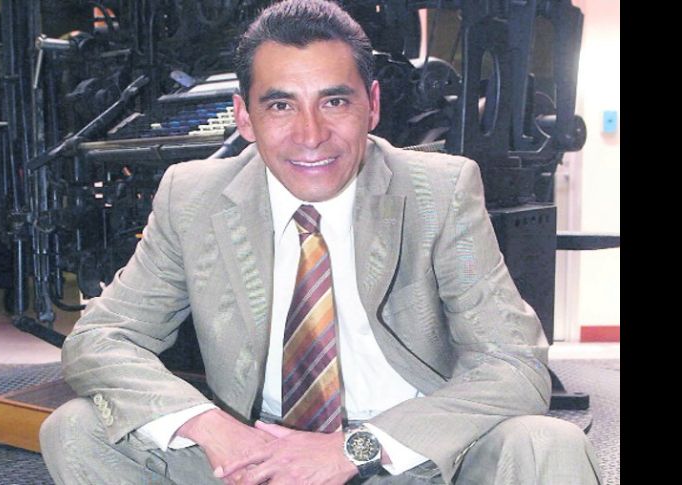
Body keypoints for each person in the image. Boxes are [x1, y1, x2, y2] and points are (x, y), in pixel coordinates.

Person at [40, 1, 602, 484]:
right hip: (258, 458)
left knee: (545, 444)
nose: (310, 135)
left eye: (335, 102)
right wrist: (209, 426)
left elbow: (512, 363)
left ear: (372, 105)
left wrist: (354, 449)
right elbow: (101, 338)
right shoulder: (193, 197)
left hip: (408, 457)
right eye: (280, 105)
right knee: (78, 430)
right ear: (244, 117)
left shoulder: (440, 190)